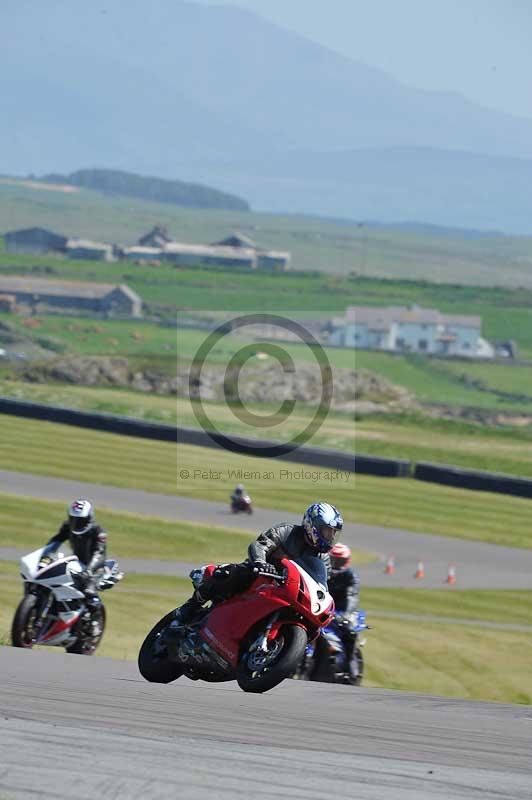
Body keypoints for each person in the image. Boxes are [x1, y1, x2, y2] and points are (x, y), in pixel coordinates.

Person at [174, 502, 343, 627]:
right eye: (327, 531)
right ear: (312, 525)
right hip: (262, 576)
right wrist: (261, 562)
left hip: (290, 592)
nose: (330, 537)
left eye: (333, 533)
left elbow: (322, 585)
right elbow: (260, 545)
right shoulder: (287, 532)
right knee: (230, 574)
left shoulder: (323, 558)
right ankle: (192, 605)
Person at [42, 499, 107, 630]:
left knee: (88, 591)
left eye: (80, 520)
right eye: (73, 519)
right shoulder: (68, 526)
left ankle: (94, 622)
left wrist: (89, 570)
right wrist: (46, 554)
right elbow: (57, 539)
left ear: (89, 518)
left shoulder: (98, 531)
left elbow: (99, 553)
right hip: (76, 563)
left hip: (95, 567)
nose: (76, 524)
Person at [327, 542, 361, 681]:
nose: (335, 564)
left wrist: (343, 615)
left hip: (343, 612)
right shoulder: (323, 570)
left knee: (349, 631)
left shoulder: (350, 576)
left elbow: (351, 596)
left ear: (346, 561)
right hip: (323, 609)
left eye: (339, 561)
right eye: (333, 560)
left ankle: (349, 668)